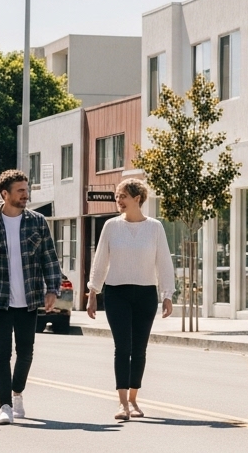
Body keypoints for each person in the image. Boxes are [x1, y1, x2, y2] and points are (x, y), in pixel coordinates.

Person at [0, 169, 63, 425]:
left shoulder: (37, 222)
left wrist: (52, 289)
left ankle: (17, 392)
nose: (26, 194)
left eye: (26, 189)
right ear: (5, 194)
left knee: (26, 352)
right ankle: (5, 406)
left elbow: (49, 257)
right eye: (21, 190)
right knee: (1, 354)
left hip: (30, 298)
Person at [86, 178, 176, 421]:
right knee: (122, 347)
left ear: (137, 198)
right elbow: (101, 259)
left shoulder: (155, 227)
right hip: (117, 293)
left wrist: (168, 294)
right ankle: (122, 403)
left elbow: (164, 261)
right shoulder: (111, 226)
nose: (118, 201)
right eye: (117, 196)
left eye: (122, 196)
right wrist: (93, 292)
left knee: (139, 349)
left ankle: (134, 399)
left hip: (146, 294)